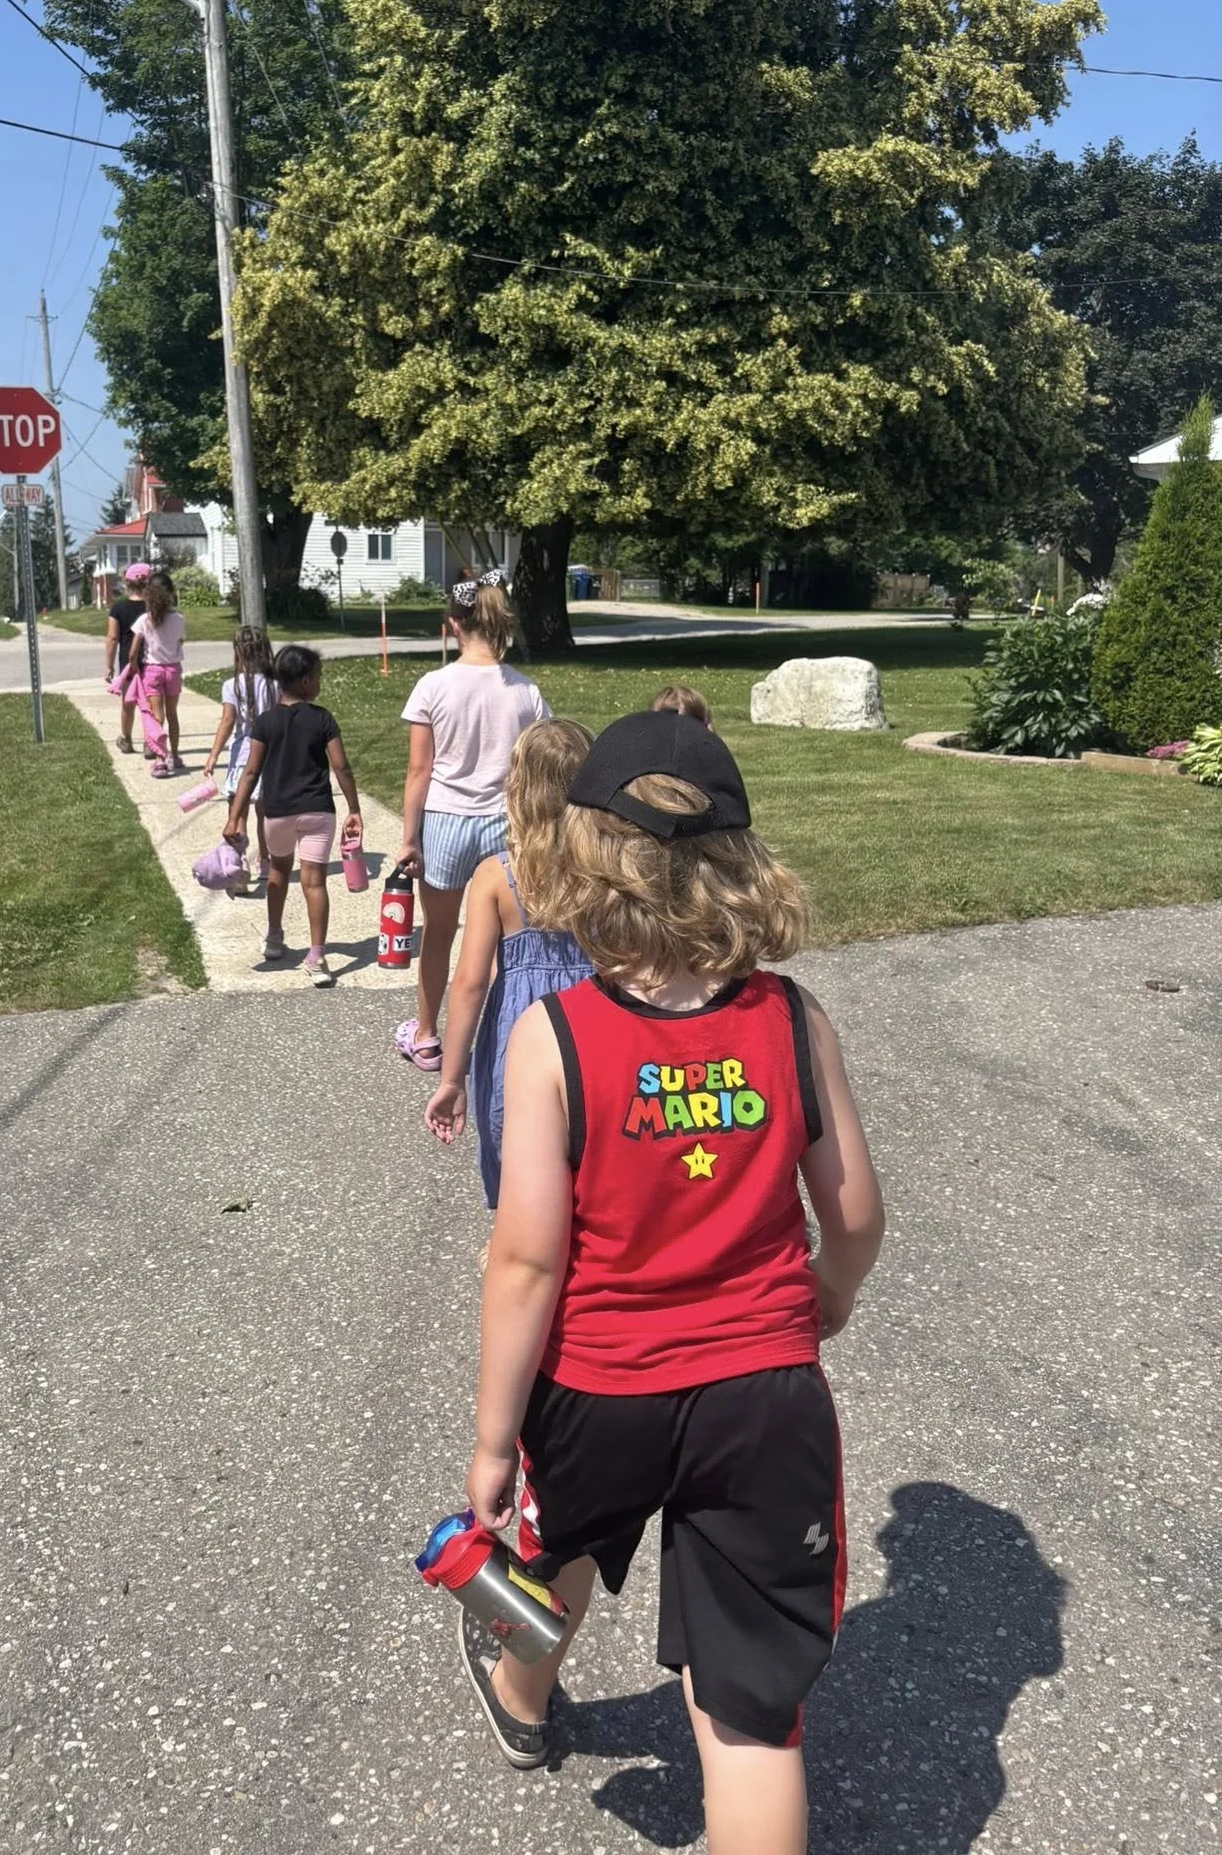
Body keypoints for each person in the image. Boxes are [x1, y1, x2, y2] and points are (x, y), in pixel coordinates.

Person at [459, 711, 885, 1855]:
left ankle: (521, 1695)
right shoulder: (790, 1017)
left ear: (580, 861)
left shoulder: (554, 1034)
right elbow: (852, 1211)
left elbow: (527, 1260)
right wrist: (830, 1287)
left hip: (598, 1387)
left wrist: (494, 1439)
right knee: (748, 1712)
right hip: (763, 1395)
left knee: (559, 1548)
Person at [424, 719, 595, 1212]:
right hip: (594, 1023)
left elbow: (469, 982)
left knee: (520, 1143)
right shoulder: (607, 868)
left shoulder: (497, 876)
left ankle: (521, 1236)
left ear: (517, 788)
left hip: (520, 1033)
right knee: (594, 1144)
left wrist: (451, 1079)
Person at [394, 571, 548, 1071]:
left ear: (453, 625)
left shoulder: (433, 685)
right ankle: (510, 1038)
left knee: (439, 931)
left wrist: (409, 839)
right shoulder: (525, 691)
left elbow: (419, 771)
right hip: (504, 824)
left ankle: (426, 1036)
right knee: (508, 939)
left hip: (445, 822)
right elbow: (537, 767)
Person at [224, 644, 364, 989]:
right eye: (317, 677)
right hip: (318, 810)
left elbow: (250, 773)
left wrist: (235, 817)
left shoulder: (265, 722)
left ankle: (274, 937)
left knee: (278, 872)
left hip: (278, 813)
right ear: (304, 681)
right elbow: (341, 767)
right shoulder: (323, 718)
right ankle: (317, 957)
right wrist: (354, 808)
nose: (319, 682)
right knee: (314, 882)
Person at [203, 626, 278, 883]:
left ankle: (239, 860)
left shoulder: (231, 685)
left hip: (243, 754)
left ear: (238, 652)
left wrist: (213, 755)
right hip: (270, 752)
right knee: (265, 811)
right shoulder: (275, 684)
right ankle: (266, 860)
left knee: (239, 809)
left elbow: (227, 721)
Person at [126, 570, 186, 778]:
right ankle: (174, 756)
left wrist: (133, 667)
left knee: (156, 717)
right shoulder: (178, 619)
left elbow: (133, 651)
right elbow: (180, 641)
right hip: (173, 669)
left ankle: (160, 759)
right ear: (171, 594)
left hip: (152, 671)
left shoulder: (144, 620)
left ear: (148, 595)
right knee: (172, 714)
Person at [103, 564, 149, 755]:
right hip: (151, 660)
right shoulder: (152, 607)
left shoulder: (118, 608)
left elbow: (112, 638)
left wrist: (109, 666)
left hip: (128, 662)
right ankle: (150, 742)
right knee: (150, 704)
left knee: (128, 703)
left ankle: (127, 739)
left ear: (127, 583)